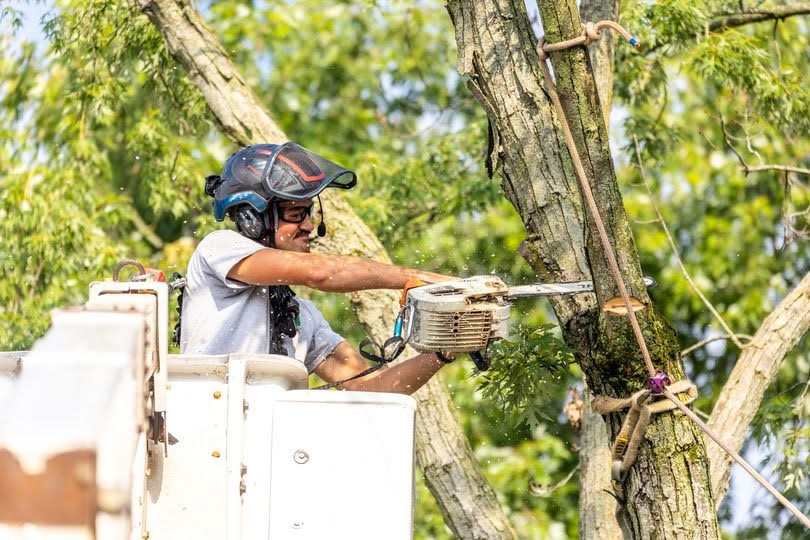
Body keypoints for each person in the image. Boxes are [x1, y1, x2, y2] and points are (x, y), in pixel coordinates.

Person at [179, 142, 454, 394]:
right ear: (252, 218)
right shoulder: (220, 248)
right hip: (208, 434)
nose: (309, 226)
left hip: (263, 443)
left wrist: (447, 348)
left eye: (308, 213)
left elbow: (372, 389)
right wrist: (418, 279)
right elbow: (319, 273)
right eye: (296, 215)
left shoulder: (302, 317)